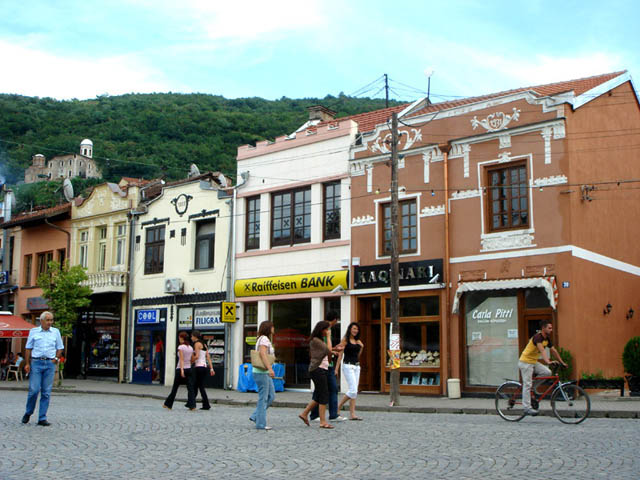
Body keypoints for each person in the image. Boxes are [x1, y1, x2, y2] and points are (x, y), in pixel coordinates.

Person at [21, 311, 64, 426]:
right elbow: (28, 348)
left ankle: (42, 418)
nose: (50, 322)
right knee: (34, 390)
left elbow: (60, 347)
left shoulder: (56, 332)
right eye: (48, 320)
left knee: (46, 392)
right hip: (36, 363)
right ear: (41, 321)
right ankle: (28, 412)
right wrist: (27, 363)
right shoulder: (33, 332)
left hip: (49, 363)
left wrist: (55, 358)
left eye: (51, 320)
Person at [518, 319, 567, 416]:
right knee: (527, 384)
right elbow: (542, 350)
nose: (551, 330)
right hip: (525, 362)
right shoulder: (538, 337)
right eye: (549, 328)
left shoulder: (546, 339)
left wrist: (562, 362)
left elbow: (554, 351)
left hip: (533, 362)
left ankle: (533, 387)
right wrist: (548, 361)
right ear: (543, 328)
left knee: (547, 372)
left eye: (551, 328)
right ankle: (527, 408)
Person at [298, 321, 336, 429]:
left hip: (321, 368)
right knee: (324, 395)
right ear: (321, 329)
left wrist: (334, 351)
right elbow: (328, 350)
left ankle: (304, 413)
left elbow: (325, 351)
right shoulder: (315, 340)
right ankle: (323, 422)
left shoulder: (318, 340)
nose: (328, 332)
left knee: (320, 394)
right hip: (317, 369)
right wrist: (329, 338)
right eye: (326, 329)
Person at [309, 311, 346, 422]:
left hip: (326, 365)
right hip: (322, 366)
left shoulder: (323, 333)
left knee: (326, 390)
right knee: (326, 390)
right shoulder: (323, 333)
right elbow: (326, 349)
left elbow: (326, 349)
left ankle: (323, 414)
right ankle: (318, 415)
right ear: (334, 320)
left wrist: (334, 350)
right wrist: (332, 349)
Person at [250, 321, 276, 430]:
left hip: (263, 373)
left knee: (271, 396)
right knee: (264, 398)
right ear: (269, 328)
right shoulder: (264, 339)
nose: (274, 329)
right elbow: (263, 354)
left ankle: (256, 416)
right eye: (272, 327)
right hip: (262, 372)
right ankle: (260, 424)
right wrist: (270, 368)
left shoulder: (262, 338)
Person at [337, 322, 364, 420]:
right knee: (353, 390)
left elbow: (358, 356)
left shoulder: (357, 341)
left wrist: (362, 347)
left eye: (357, 329)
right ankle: (338, 407)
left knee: (354, 392)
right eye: (354, 328)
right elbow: (340, 354)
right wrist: (337, 369)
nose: (355, 331)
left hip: (357, 366)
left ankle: (352, 414)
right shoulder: (345, 340)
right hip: (347, 366)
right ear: (350, 329)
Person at [163, 331, 195, 410]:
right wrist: (189, 365)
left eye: (179, 338)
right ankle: (192, 405)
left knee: (175, 388)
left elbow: (181, 359)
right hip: (189, 369)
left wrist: (181, 370)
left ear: (181, 338)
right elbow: (192, 359)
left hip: (180, 369)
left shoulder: (181, 347)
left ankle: (168, 404)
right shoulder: (190, 348)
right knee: (190, 388)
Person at [190, 330, 214, 410]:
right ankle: (191, 402)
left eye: (192, 336)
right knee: (196, 386)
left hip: (198, 367)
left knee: (199, 386)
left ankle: (205, 404)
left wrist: (190, 361)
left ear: (194, 336)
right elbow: (208, 357)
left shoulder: (197, 344)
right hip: (204, 367)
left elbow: (196, 356)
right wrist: (211, 368)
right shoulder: (204, 344)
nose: (191, 338)